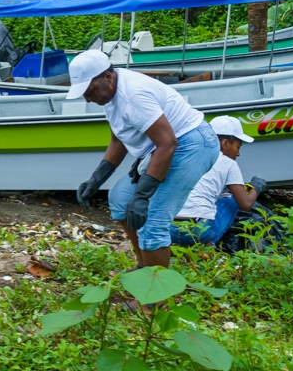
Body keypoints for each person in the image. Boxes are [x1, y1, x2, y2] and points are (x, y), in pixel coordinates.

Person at [70, 50, 219, 269]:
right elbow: (118, 141)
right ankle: (145, 268)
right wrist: (96, 179)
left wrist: (143, 195)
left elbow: (167, 143)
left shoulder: (133, 95)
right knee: (120, 198)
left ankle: (153, 299)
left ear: (107, 78)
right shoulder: (109, 96)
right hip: (165, 146)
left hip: (193, 144)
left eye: (89, 91)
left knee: (152, 222)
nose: (87, 98)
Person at [170, 115, 266, 246]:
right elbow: (245, 204)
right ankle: (208, 246)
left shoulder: (188, 153)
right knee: (231, 199)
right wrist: (256, 187)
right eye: (238, 147)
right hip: (199, 231)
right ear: (225, 143)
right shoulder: (228, 163)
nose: (238, 154)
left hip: (170, 229)